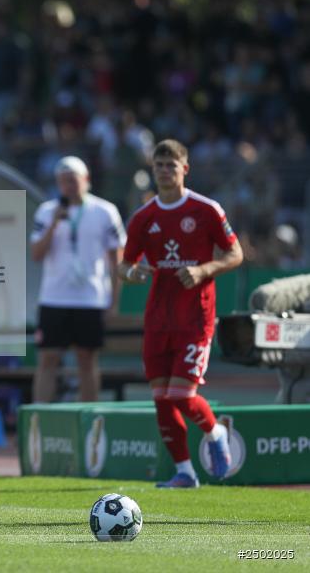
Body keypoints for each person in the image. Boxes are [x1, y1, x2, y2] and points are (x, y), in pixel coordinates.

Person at [119, 139, 243, 488]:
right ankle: (185, 472)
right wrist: (133, 274)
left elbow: (235, 254)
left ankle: (215, 432)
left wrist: (204, 270)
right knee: (161, 399)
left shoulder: (206, 210)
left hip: (195, 318)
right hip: (158, 319)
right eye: (159, 165)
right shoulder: (143, 217)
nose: (164, 171)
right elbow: (124, 266)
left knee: (181, 395)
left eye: (171, 165)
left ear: (185, 169)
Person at [30, 156, 126, 403]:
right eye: (63, 181)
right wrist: (54, 225)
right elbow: (37, 254)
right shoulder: (47, 211)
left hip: (90, 298)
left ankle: (89, 415)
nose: (68, 186)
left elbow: (117, 260)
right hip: (54, 298)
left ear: (86, 179)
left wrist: (114, 301)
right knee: (48, 358)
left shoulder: (105, 211)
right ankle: (41, 415)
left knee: (87, 359)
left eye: (73, 180)